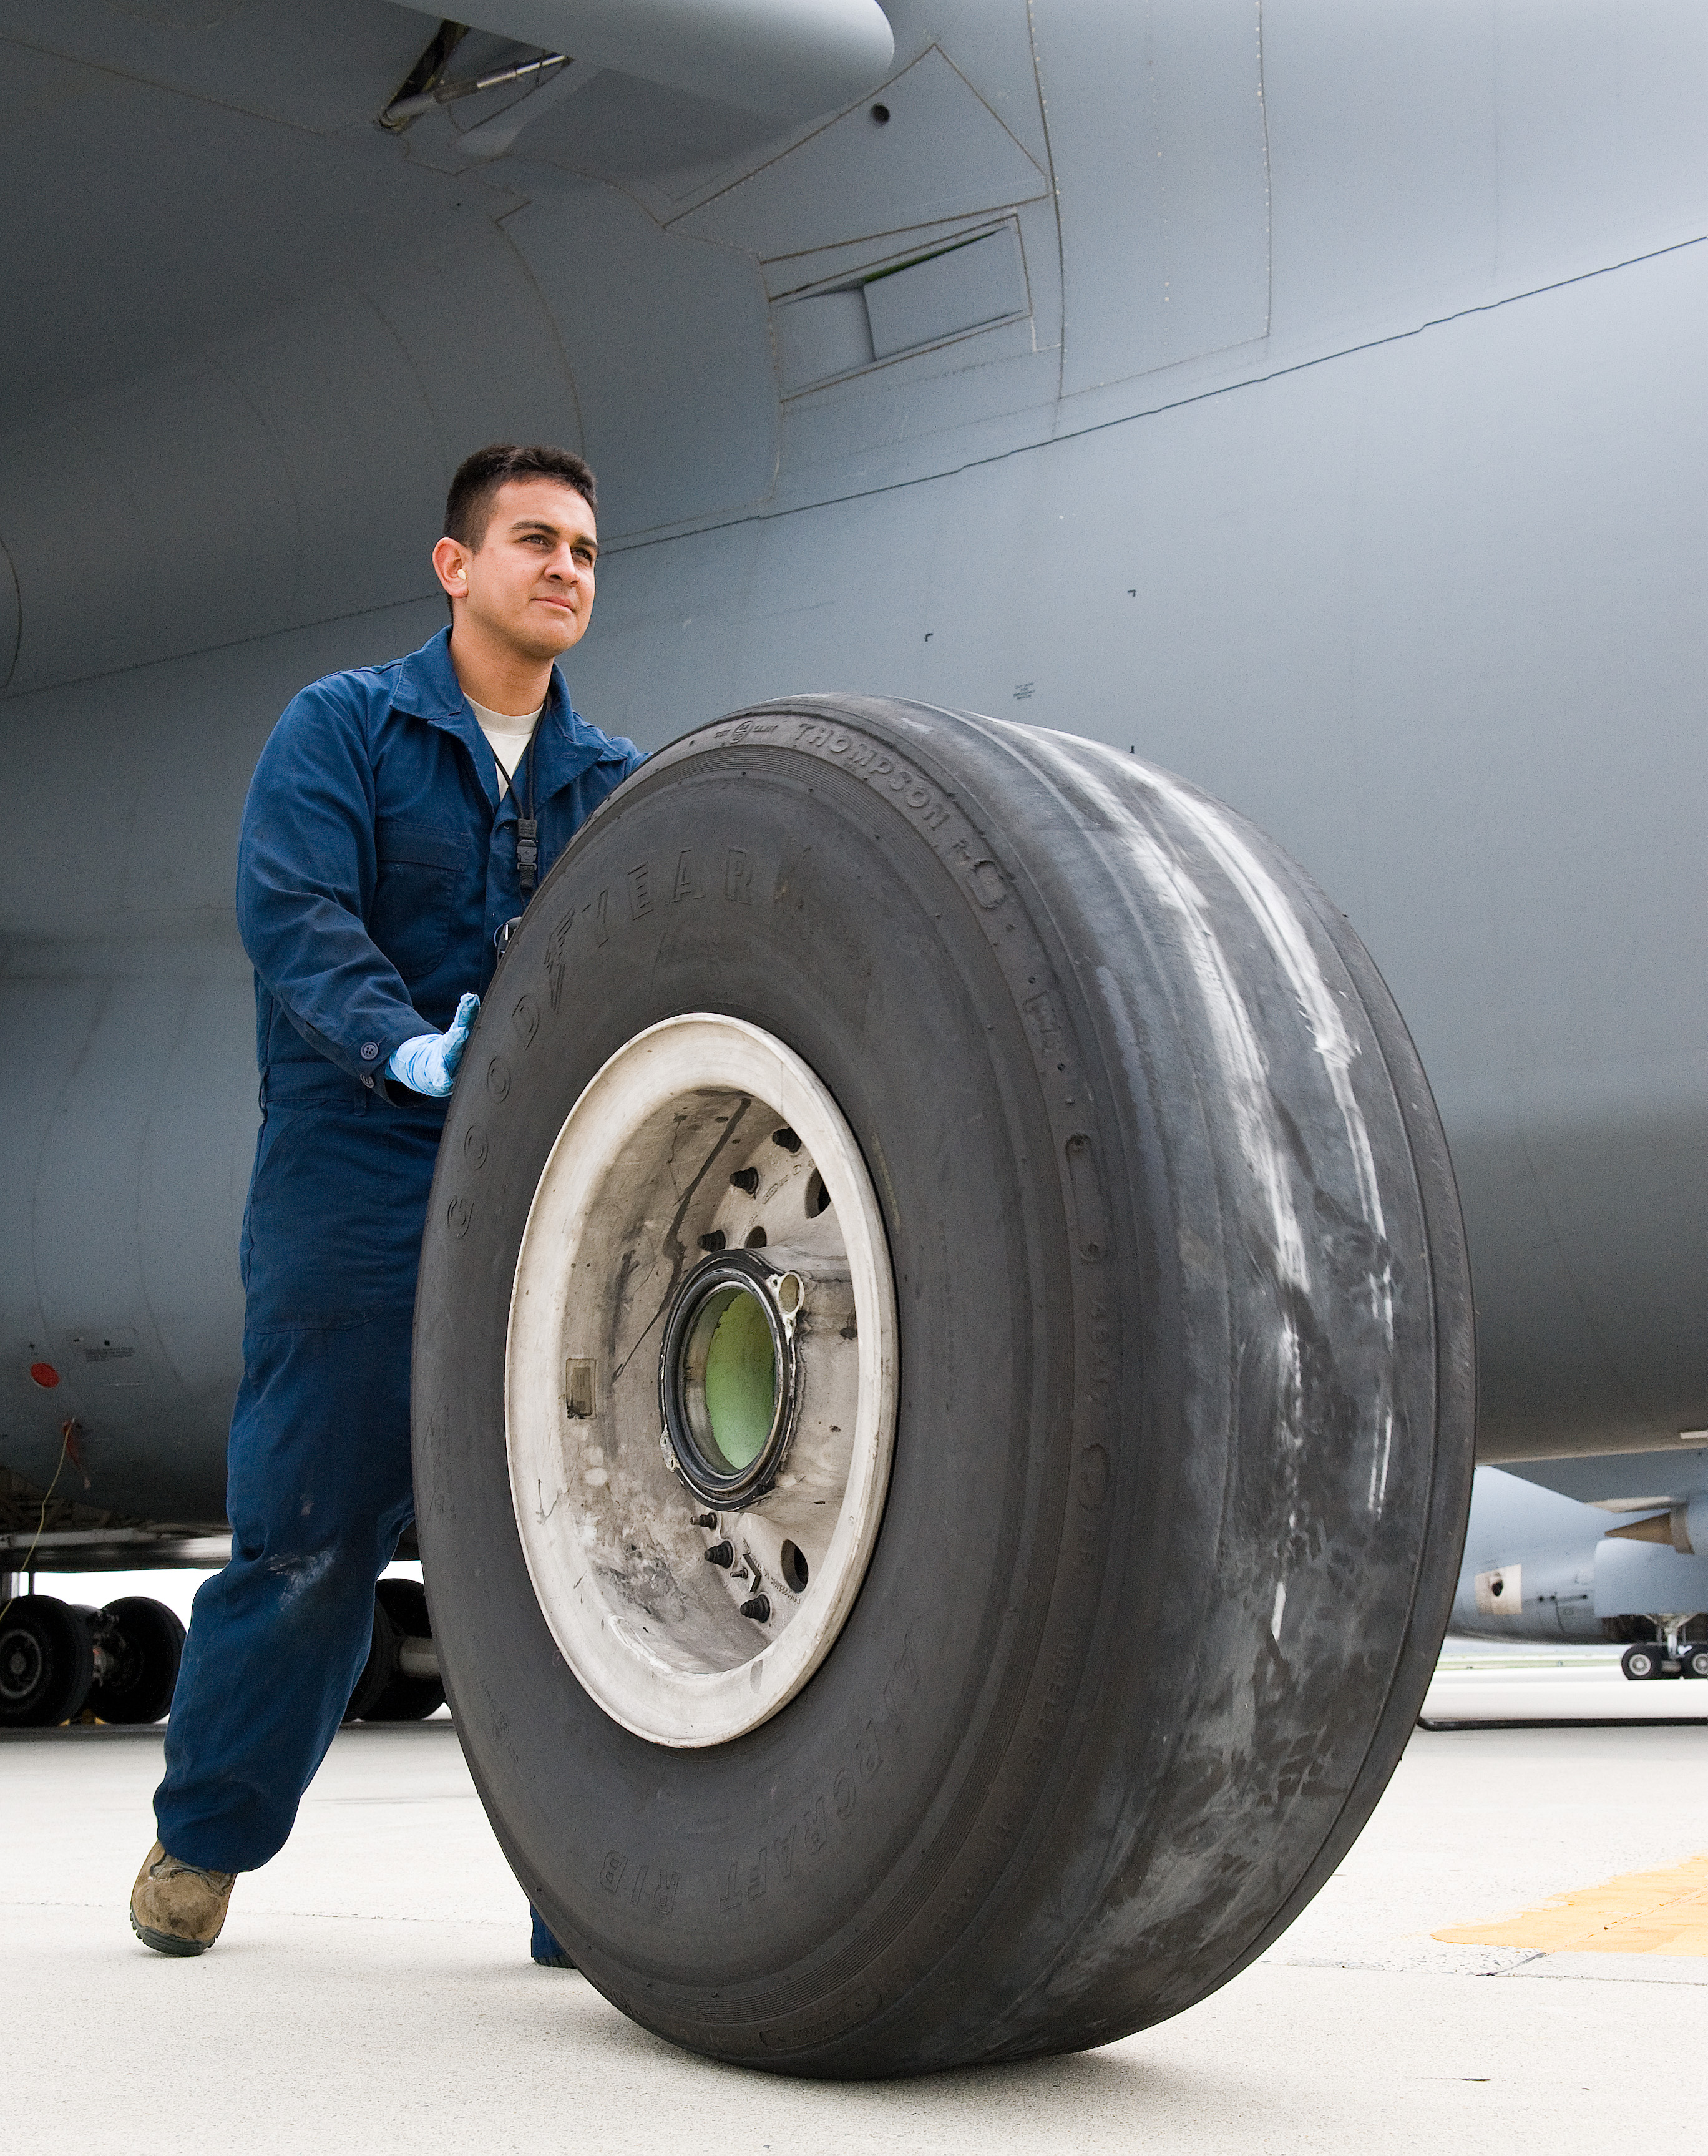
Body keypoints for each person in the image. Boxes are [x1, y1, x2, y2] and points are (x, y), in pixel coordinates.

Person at [130, 443, 642, 1960]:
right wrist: (405, 1044)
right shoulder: (343, 727)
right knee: (309, 1535)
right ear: (455, 565)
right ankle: (206, 1836)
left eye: (585, 551)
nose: (565, 569)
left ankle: (582, 1895)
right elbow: (291, 911)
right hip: (354, 1165)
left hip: (540, 1181)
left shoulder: (612, 781)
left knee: (570, 1549)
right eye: (535, 540)